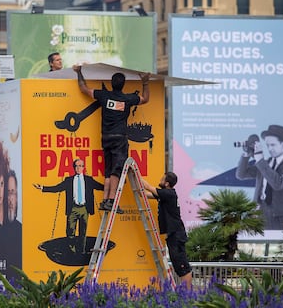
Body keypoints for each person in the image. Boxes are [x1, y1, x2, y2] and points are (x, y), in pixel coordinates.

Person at [72, 64, 151, 214]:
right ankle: (112, 200)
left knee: (108, 171)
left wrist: (79, 72)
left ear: (111, 84)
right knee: (117, 170)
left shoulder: (104, 95)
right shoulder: (127, 99)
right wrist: (145, 82)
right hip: (119, 138)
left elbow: (84, 89)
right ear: (123, 85)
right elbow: (145, 98)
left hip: (106, 138)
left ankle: (105, 200)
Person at [33, 158, 104, 253]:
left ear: (83, 167)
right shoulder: (69, 180)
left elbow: (100, 187)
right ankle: (72, 251)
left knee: (83, 232)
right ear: (74, 168)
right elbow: (57, 188)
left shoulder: (89, 180)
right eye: (76, 166)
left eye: (81, 166)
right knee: (70, 231)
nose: (78, 168)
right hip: (73, 208)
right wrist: (43, 188)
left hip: (84, 209)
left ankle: (81, 251)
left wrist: (113, 187)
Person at [142, 172, 193, 289]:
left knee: (182, 266)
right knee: (178, 264)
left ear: (167, 183)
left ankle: (188, 294)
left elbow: (148, 187)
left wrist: (135, 174)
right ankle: (186, 293)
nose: (160, 180)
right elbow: (145, 194)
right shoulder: (165, 195)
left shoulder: (168, 194)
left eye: (162, 178)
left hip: (176, 234)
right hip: (173, 235)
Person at [236, 125, 283, 230]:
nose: (270, 149)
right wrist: (246, 155)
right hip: (260, 212)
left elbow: (278, 184)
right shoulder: (266, 163)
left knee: (277, 245)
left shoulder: (264, 164)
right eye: (267, 145)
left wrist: (259, 160)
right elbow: (241, 175)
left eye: (273, 145)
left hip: (279, 216)